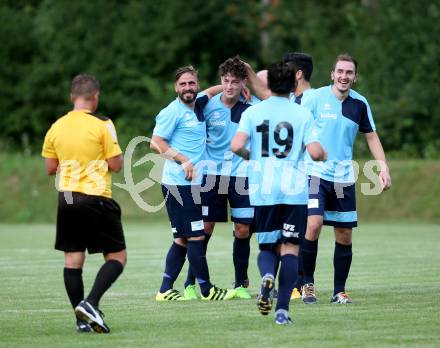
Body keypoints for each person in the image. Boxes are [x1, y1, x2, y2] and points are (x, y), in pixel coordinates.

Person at [231, 62, 326, 325]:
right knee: (291, 249)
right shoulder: (302, 113)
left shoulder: (253, 112)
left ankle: (266, 276)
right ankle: (282, 310)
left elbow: (236, 145)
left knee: (266, 246)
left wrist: (252, 156)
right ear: (294, 86)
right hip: (294, 190)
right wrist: (322, 154)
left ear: (269, 85)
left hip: (264, 190)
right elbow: (316, 152)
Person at [300, 54, 392, 305]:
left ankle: (339, 291)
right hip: (315, 173)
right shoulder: (314, 98)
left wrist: (382, 168)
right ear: (332, 74)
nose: (344, 76)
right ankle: (307, 284)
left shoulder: (360, 104)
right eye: (340, 71)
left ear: (355, 77)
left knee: (344, 235)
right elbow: (297, 127)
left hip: (343, 178)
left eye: (349, 73)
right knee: (314, 224)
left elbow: (371, 137)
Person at [41, 74, 126, 333]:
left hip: (66, 197)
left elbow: (50, 167)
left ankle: (81, 321)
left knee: (73, 260)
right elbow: (116, 165)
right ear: (96, 96)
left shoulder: (56, 126)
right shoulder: (102, 124)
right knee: (117, 256)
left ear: (72, 97)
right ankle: (91, 303)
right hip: (95, 196)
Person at [151, 65, 236, 301]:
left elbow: (211, 91)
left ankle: (165, 290)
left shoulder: (198, 102)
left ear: (196, 85)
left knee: (181, 239)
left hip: (193, 185)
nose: (187, 88)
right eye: (182, 84)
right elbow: (155, 142)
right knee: (196, 236)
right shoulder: (172, 111)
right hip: (178, 185)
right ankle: (208, 290)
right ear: (175, 87)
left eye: (191, 83)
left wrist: (240, 89)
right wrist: (183, 160)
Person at [182, 56, 257, 300]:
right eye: (225, 81)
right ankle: (191, 284)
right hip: (211, 175)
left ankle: (240, 285)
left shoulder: (252, 106)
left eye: (235, 82)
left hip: (241, 176)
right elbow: (201, 92)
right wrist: (219, 87)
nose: (229, 86)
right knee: (204, 229)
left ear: (243, 83)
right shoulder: (207, 103)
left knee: (243, 229)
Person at [282, 51, 315, 300]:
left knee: (302, 232)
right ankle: (294, 283)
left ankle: (302, 283)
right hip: (287, 177)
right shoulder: (292, 100)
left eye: (286, 70)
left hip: (307, 176)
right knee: (289, 232)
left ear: (299, 73)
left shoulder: (313, 99)